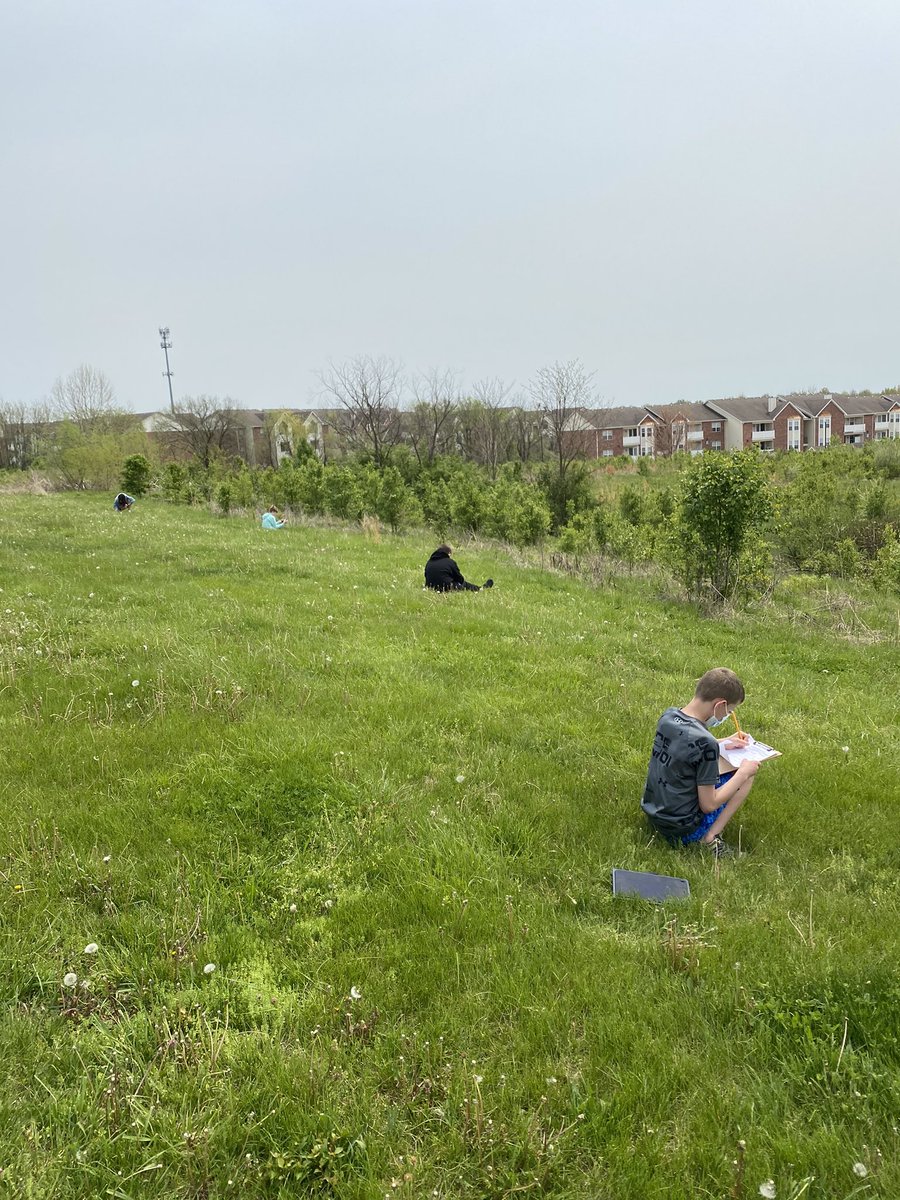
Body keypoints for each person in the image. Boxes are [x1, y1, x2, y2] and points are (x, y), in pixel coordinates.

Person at [641, 667, 759, 859]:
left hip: (654, 814)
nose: (726, 716)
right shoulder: (706, 743)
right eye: (729, 711)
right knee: (745, 775)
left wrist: (725, 742)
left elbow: (684, 745)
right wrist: (743, 773)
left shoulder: (668, 716)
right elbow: (708, 805)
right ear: (720, 705)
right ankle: (710, 838)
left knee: (726, 765)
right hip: (683, 830)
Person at [424, 545, 493, 592]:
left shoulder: (429, 562)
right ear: (448, 553)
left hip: (431, 587)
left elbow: (426, 575)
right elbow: (459, 579)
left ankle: (479, 588)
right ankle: (480, 589)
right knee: (464, 584)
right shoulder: (450, 562)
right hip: (447, 587)